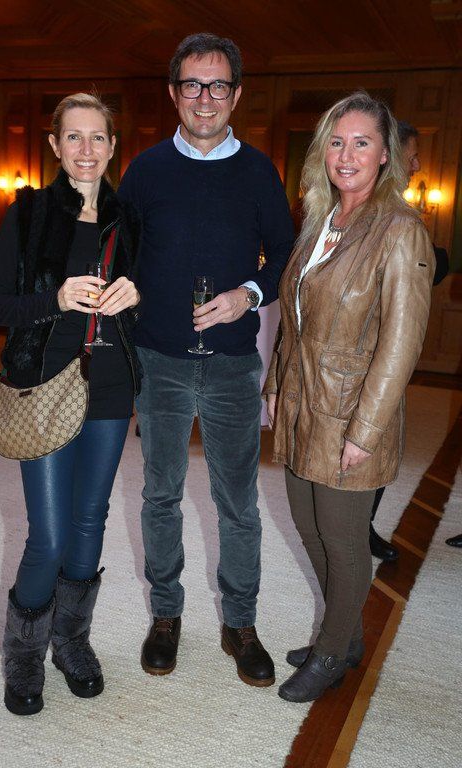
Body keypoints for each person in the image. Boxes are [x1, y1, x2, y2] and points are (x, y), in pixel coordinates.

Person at [117, 33, 294, 687]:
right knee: (160, 495)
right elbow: (122, 257)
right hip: (159, 360)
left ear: (236, 95)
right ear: (174, 93)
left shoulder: (259, 173)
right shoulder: (145, 171)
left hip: (231, 365)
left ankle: (240, 623)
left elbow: (285, 256)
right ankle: (166, 616)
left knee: (238, 503)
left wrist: (248, 295)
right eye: (192, 84)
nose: (205, 98)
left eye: (218, 85)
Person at [264, 91, 434, 703]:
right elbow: (293, 319)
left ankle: (333, 651)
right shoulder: (319, 221)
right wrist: (276, 386)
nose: (346, 154)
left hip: (352, 412)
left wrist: (366, 429)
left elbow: (402, 344)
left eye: (362, 142)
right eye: (336, 142)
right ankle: (348, 633)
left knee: (342, 540)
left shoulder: (401, 231)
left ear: (386, 155)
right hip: (302, 404)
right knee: (308, 529)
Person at [0, 92, 141, 716]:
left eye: (98, 137)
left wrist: (136, 295)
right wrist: (57, 297)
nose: (86, 149)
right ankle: (23, 654)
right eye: (73, 136)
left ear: (113, 145)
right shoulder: (29, 213)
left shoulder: (129, 218)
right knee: (48, 537)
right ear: (54, 145)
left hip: (110, 384)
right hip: (43, 385)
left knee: (89, 522)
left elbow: (151, 300)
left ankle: (71, 641)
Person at [369, 119, 449, 561]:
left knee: (383, 441)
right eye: (413, 156)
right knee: (378, 440)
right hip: (375, 346)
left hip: (387, 341)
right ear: (391, 156)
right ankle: (358, 529)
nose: (417, 166)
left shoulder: (399, 211)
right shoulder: (384, 213)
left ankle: (361, 525)